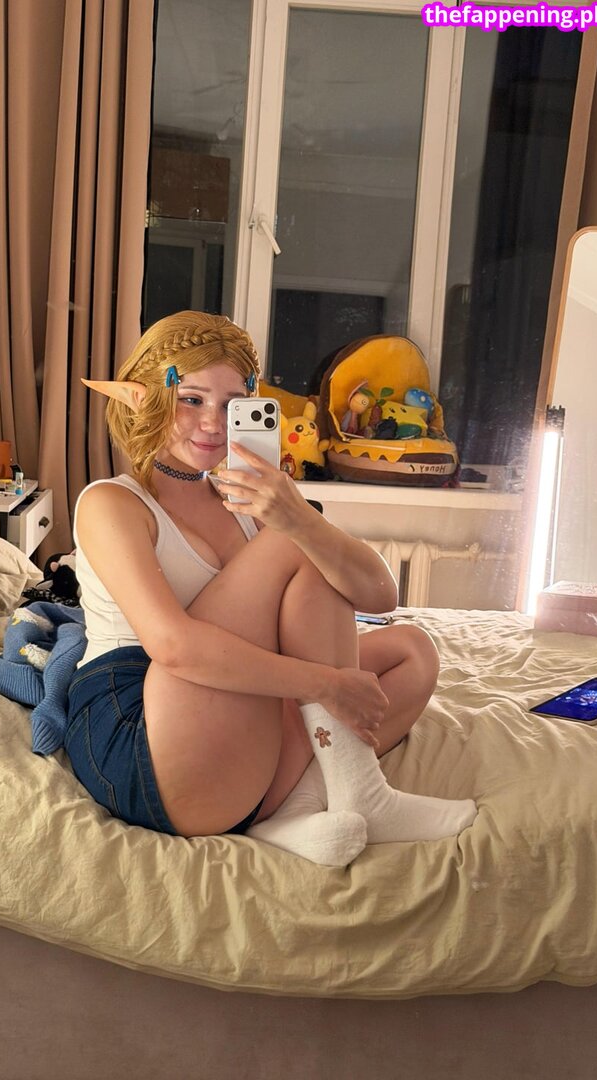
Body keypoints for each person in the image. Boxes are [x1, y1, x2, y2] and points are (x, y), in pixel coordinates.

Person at [66, 311, 477, 866]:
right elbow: (172, 646)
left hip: (236, 739)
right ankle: (359, 790)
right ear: (146, 400)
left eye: (231, 405)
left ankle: (297, 809)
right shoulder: (111, 502)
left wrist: (296, 514)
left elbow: (381, 596)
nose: (212, 423)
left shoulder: (247, 501)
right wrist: (326, 683)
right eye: (191, 399)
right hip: (146, 734)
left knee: (411, 650)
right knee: (294, 544)